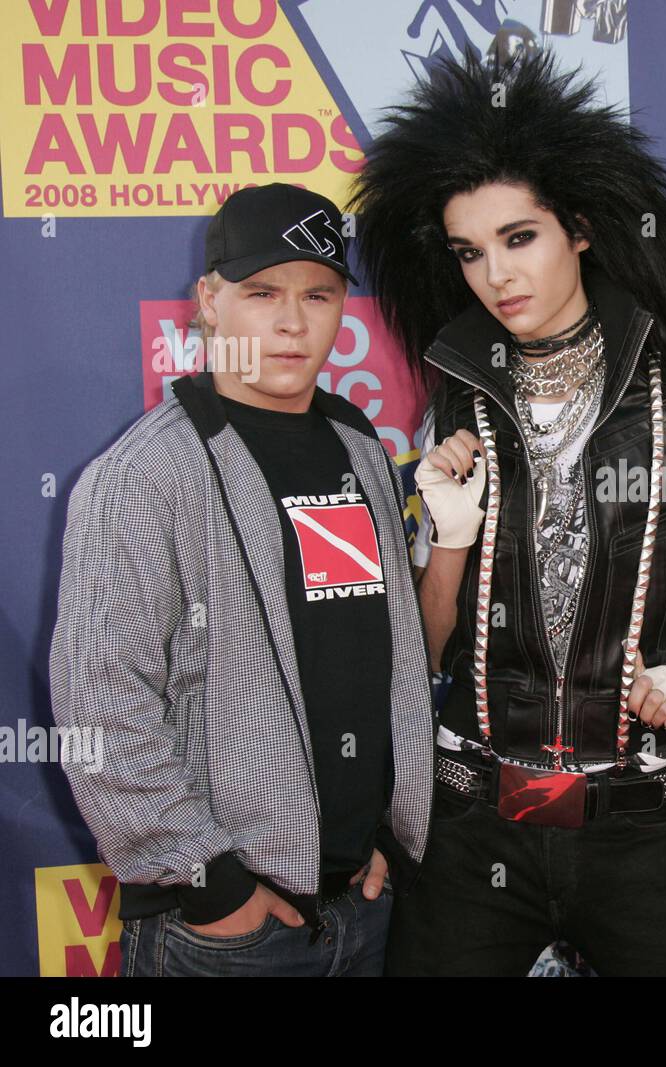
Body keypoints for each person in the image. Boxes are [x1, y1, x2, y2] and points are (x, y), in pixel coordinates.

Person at [351, 49, 666, 976]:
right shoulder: (452, 401)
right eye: (469, 251)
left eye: (518, 237)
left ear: (579, 228)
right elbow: (427, 646)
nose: (495, 274)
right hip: (474, 818)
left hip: (637, 819)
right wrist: (446, 538)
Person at [48, 183, 433, 977]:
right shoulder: (143, 474)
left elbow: (375, 652)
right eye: (263, 293)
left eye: (319, 294)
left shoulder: (359, 447)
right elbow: (98, 704)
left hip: (360, 909)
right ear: (210, 302)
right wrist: (210, 884)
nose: (293, 322)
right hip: (220, 932)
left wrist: (388, 835)